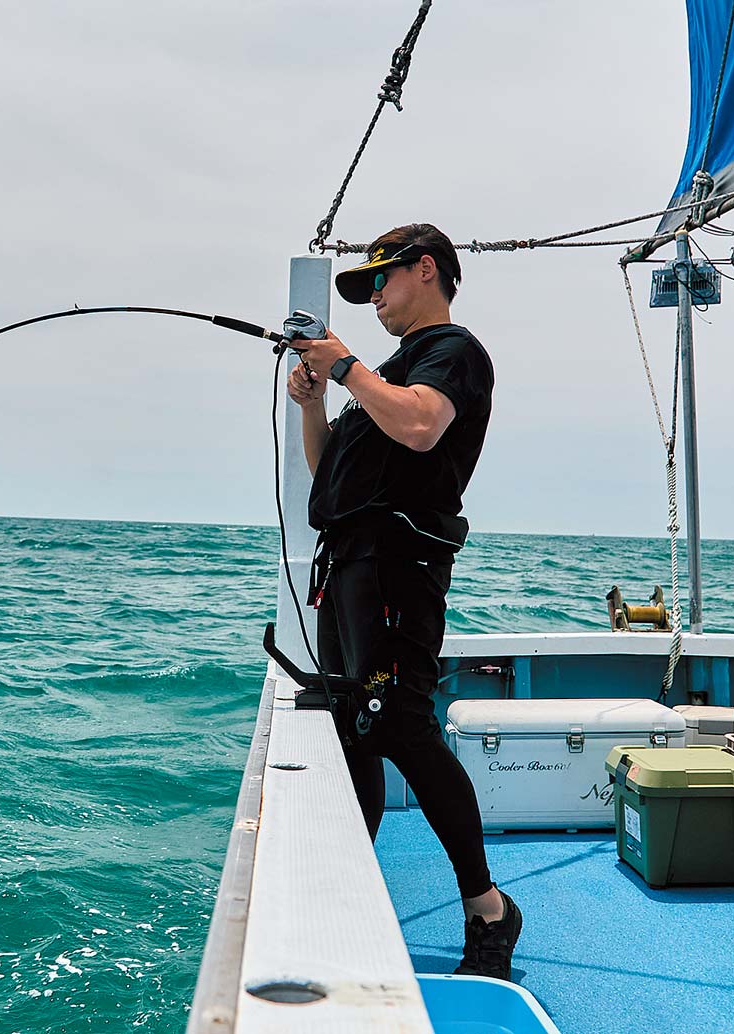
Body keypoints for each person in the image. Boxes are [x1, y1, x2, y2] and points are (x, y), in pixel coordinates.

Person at [286, 222, 522, 981]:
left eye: (382, 280)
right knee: (355, 732)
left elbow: (422, 429)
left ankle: (488, 907)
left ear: (427, 270)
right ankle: (341, 899)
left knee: (403, 727)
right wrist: (315, 403)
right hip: (347, 572)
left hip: (397, 571)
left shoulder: (452, 356)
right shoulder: (385, 375)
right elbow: (330, 473)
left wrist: (348, 366)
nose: (375, 296)